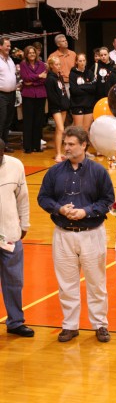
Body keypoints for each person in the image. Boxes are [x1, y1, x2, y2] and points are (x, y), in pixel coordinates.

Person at [37, 126, 115, 343]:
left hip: (91, 233)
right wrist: (59, 209)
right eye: (65, 144)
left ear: (84, 145)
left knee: (96, 283)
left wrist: (85, 212)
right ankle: (70, 325)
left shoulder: (98, 171)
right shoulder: (54, 172)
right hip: (63, 234)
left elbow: (108, 200)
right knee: (66, 284)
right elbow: (43, 198)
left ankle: (100, 324)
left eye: (72, 144)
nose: (67, 148)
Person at [0, 138, 34, 337]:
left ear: (4, 153)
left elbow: (23, 197)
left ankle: (15, 322)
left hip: (10, 234)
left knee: (14, 281)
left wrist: (25, 224)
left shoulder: (15, 166)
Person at [19, 45, 47, 153]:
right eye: (30, 53)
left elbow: (44, 79)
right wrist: (38, 76)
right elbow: (25, 78)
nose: (32, 54)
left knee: (38, 121)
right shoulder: (23, 64)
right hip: (28, 95)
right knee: (28, 121)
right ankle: (27, 147)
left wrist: (33, 80)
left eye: (33, 52)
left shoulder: (42, 64)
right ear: (26, 54)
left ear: (36, 54)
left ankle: (37, 146)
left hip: (40, 95)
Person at [45, 56, 70, 163]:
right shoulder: (50, 79)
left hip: (63, 106)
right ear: (51, 66)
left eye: (59, 64)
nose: (58, 66)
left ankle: (59, 152)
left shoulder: (59, 76)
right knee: (60, 129)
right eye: (56, 64)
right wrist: (60, 104)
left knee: (60, 130)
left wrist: (66, 103)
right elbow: (52, 96)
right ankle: (58, 154)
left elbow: (63, 91)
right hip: (56, 107)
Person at [69, 53, 96, 133]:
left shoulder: (90, 73)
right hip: (77, 104)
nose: (82, 63)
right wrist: (87, 86)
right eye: (80, 61)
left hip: (89, 104)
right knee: (78, 130)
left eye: (84, 60)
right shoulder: (73, 74)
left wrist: (81, 86)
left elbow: (93, 88)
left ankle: (83, 145)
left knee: (86, 129)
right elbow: (74, 90)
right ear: (76, 62)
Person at [0, 37, 17, 153]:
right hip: (1, 94)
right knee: (2, 120)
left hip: (12, 94)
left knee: (8, 121)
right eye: (7, 45)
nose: (9, 48)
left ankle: (4, 145)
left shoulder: (10, 60)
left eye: (10, 46)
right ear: (0, 46)